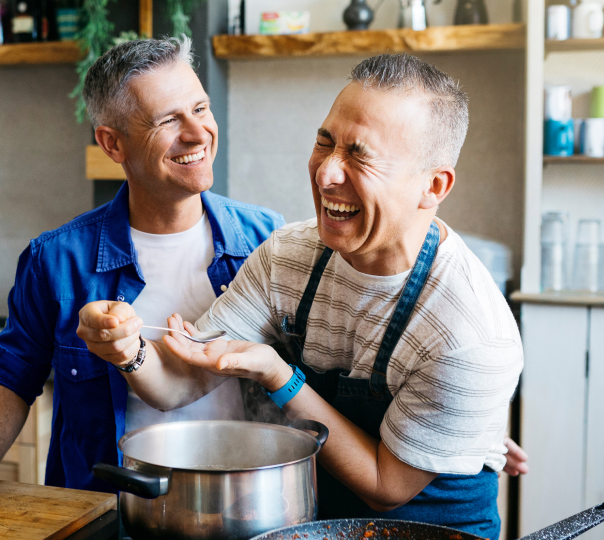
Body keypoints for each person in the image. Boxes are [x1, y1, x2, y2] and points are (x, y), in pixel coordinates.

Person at [78, 54, 527, 539]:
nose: (326, 173)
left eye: (359, 154)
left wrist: (279, 376)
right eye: (324, 141)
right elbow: (180, 382)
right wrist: (129, 352)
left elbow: (385, 486)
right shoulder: (289, 256)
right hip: (318, 526)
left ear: (432, 186)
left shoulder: (470, 334)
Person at [0, 36, 284, 523]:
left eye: (200, 108)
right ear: (112, 143)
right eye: (169, 120)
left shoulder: (271, 241)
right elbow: (9, 374)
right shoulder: (55, 259)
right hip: (108, 517)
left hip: (249, 511)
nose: (198, 133)